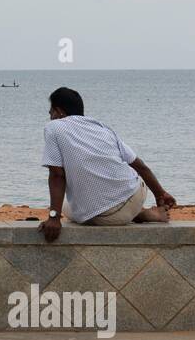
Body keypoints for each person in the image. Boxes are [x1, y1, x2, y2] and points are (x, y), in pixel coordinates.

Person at [39, 86, 176, 242]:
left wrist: (54, 217)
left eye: (51, 113)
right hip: (136, 195)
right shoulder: (101, 127)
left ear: (58, 111)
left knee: (66, 207)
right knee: (104, 196)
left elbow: (57, 175)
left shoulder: (53, 128)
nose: (50, 117)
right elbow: (139, 166)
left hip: (106, 217)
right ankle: (140, 212)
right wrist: (160, 194)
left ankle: (138, 214)